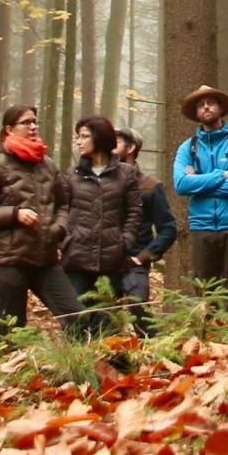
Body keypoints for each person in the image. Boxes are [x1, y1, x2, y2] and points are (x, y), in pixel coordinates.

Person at [0, 108, 84, 342]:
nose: (33, 127)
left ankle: (75, 369)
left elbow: (63, 205)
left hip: (46, 260)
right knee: (15, 333)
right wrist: (14, 214)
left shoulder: (48, 165)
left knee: (77, 317)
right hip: (8, 262)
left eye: (35, 122)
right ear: (10, 130)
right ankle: (18, 376)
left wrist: (58, 228)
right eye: (26, 123)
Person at [171, 86, 228, 310]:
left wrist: (199, 182)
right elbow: (181, 184)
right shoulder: (187, 148)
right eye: (201, 104)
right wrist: (221, 175)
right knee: (204, 292)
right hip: (202, 226)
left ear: (221, 108)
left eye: (210, 102)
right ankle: (208, 342)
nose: (206, 107)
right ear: (196, 113)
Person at [64, 116, 148, 333]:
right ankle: (75, 363)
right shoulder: (72, 175)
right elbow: (62, 209)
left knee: (107, 320)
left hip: (112, 257)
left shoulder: (125, 173)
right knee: (75, 318)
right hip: (76, 257)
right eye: (78, 137)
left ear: (100, 138)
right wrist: (66, 240)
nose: (79, 142)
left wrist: (125, 241)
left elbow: (134, 211)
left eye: (84, 136)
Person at [118, 130, 181, 333]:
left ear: (130, 148)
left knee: (138, 309)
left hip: (134, 262)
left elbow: (169, 227)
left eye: (115, 141)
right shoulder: (100, 183)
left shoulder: (150, 186)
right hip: (103, 260)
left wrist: (145, 255)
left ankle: (154, 354)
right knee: (98, 314)